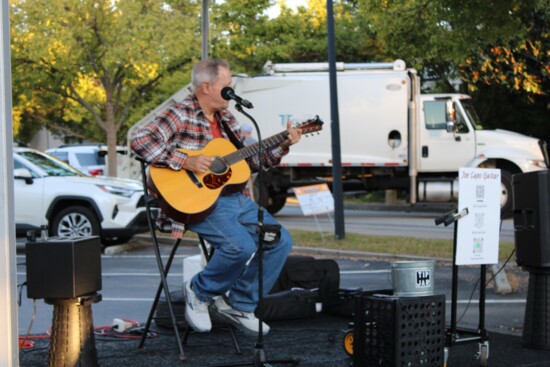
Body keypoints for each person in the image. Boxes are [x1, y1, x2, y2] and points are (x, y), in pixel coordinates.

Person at [130, 59, 302, 336]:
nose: (232, 92)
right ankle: (199, 291)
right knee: (241, 246)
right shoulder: (181, 113)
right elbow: (140, 141)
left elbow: (248, 164)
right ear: (206, 86)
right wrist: (185, 161)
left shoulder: (227, 119)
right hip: (196, 202)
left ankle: (240, 304)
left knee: (280, 240)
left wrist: (281, 145)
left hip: (236, 199)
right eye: (227, 87)